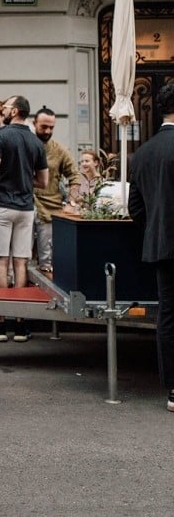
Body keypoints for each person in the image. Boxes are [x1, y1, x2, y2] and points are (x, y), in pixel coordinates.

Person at [0, 95, 48, 342]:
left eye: (7, 107)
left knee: (0, 263)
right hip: (25, 207)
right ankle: (20, 324)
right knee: (21, 263)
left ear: (16, 111)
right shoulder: (35, 141)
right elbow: (44, 181)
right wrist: (22, 179)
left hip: (1, 206)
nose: (3, 110)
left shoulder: (0, 137)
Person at [128, 82, 174, 413]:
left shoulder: (142, 152)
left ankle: (173, 389)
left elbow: (135, 208)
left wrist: (157, 230)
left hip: (161, 245)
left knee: (168, 316)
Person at [32, 106, 80, 277]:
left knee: (47, 261)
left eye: (51, 127)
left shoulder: (59, 150)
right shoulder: (26, 144)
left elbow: (75, 176)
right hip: (24, 205)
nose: (47, 131)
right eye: (43, 127)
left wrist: (71, 203)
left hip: (49, 209)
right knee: (20, 259)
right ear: (34, 123)